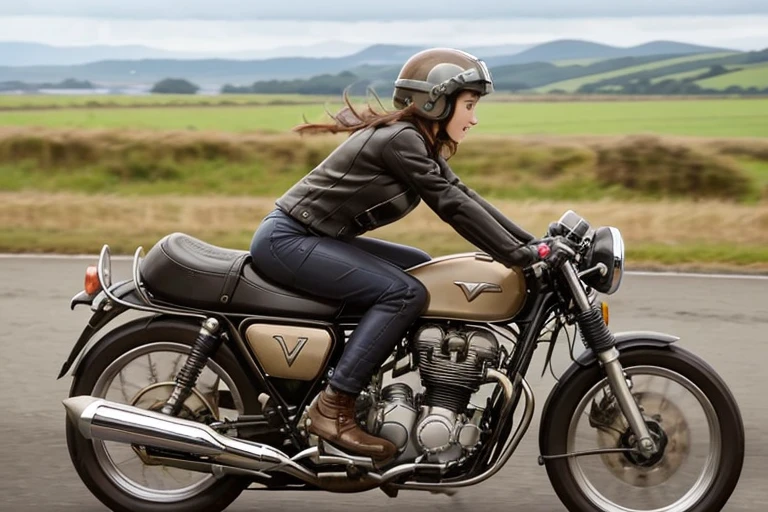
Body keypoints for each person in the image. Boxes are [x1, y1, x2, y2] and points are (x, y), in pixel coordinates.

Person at [250, 48, 540, 462]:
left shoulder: (418, 141)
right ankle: (334, 405)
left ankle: (382, 384)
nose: (474, 118)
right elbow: (451, 206)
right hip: (289, 240)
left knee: (425, 269)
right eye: (470, 105)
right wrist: (521, 254)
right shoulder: (402, 140)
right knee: (405, 293)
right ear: (435, 102)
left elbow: (463, 196)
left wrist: (534, 246)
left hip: (312, 236)